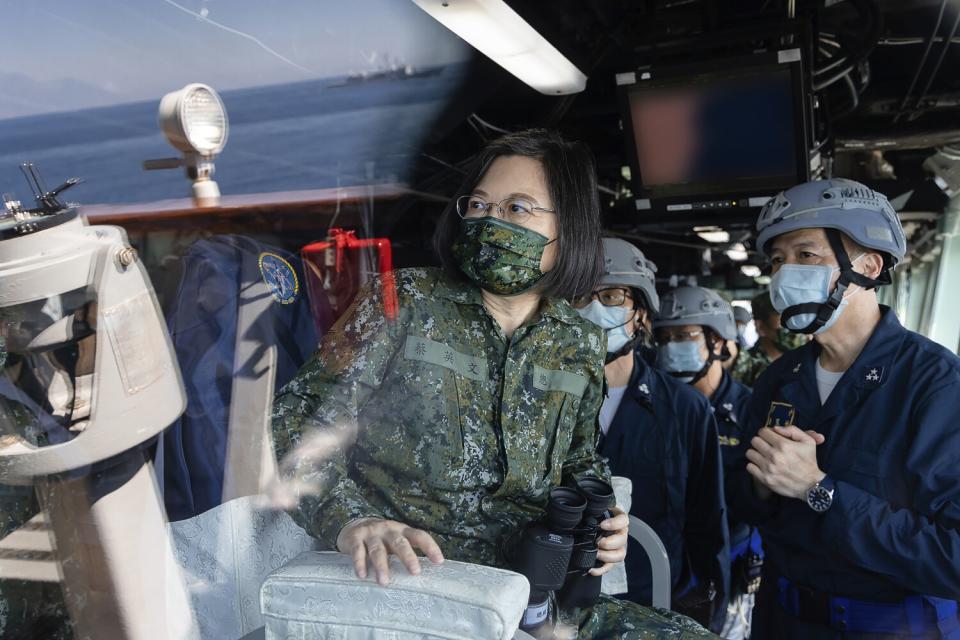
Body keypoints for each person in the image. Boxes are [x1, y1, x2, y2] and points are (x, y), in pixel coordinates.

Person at [270, 130, 714, 639]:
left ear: (567, 229)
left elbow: (578, 461)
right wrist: (351, 521)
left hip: (534, 597)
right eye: (479, 205)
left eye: (518, 208)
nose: (489, 221)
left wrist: (603, 520)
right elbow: (296, 422)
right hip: (415, 593)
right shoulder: (402, 302)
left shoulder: (579, 342)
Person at [726, 178, 960, 638]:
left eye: (805, 255)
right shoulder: (779, 380)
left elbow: (952, 557)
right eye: (776, 260)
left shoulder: (936, 384)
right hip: (782, 620)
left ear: (870, 266)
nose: (782, 273)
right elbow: (746, 505)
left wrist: (819, 488)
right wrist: (762, 488)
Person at [574, 240, 728, 632]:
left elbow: (707, 522)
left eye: (611, 296)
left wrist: (711, 609)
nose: (594, 310)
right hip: (563, 609)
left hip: (653, 607)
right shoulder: (539, 403)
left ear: (640, 313)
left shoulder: (685, 409)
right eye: (580, 297)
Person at [653, 286, 759, 639]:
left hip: (733, 566)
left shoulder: (751, 410)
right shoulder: (652, 407)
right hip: (668, 565)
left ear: (716, 341)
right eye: (664, 338)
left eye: (684, 335)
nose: (671, 346)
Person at [732, 291, 806, 387]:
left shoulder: (805, 361)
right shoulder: (747, 368)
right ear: (760, 327)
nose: (791, 325)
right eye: (782, 317)